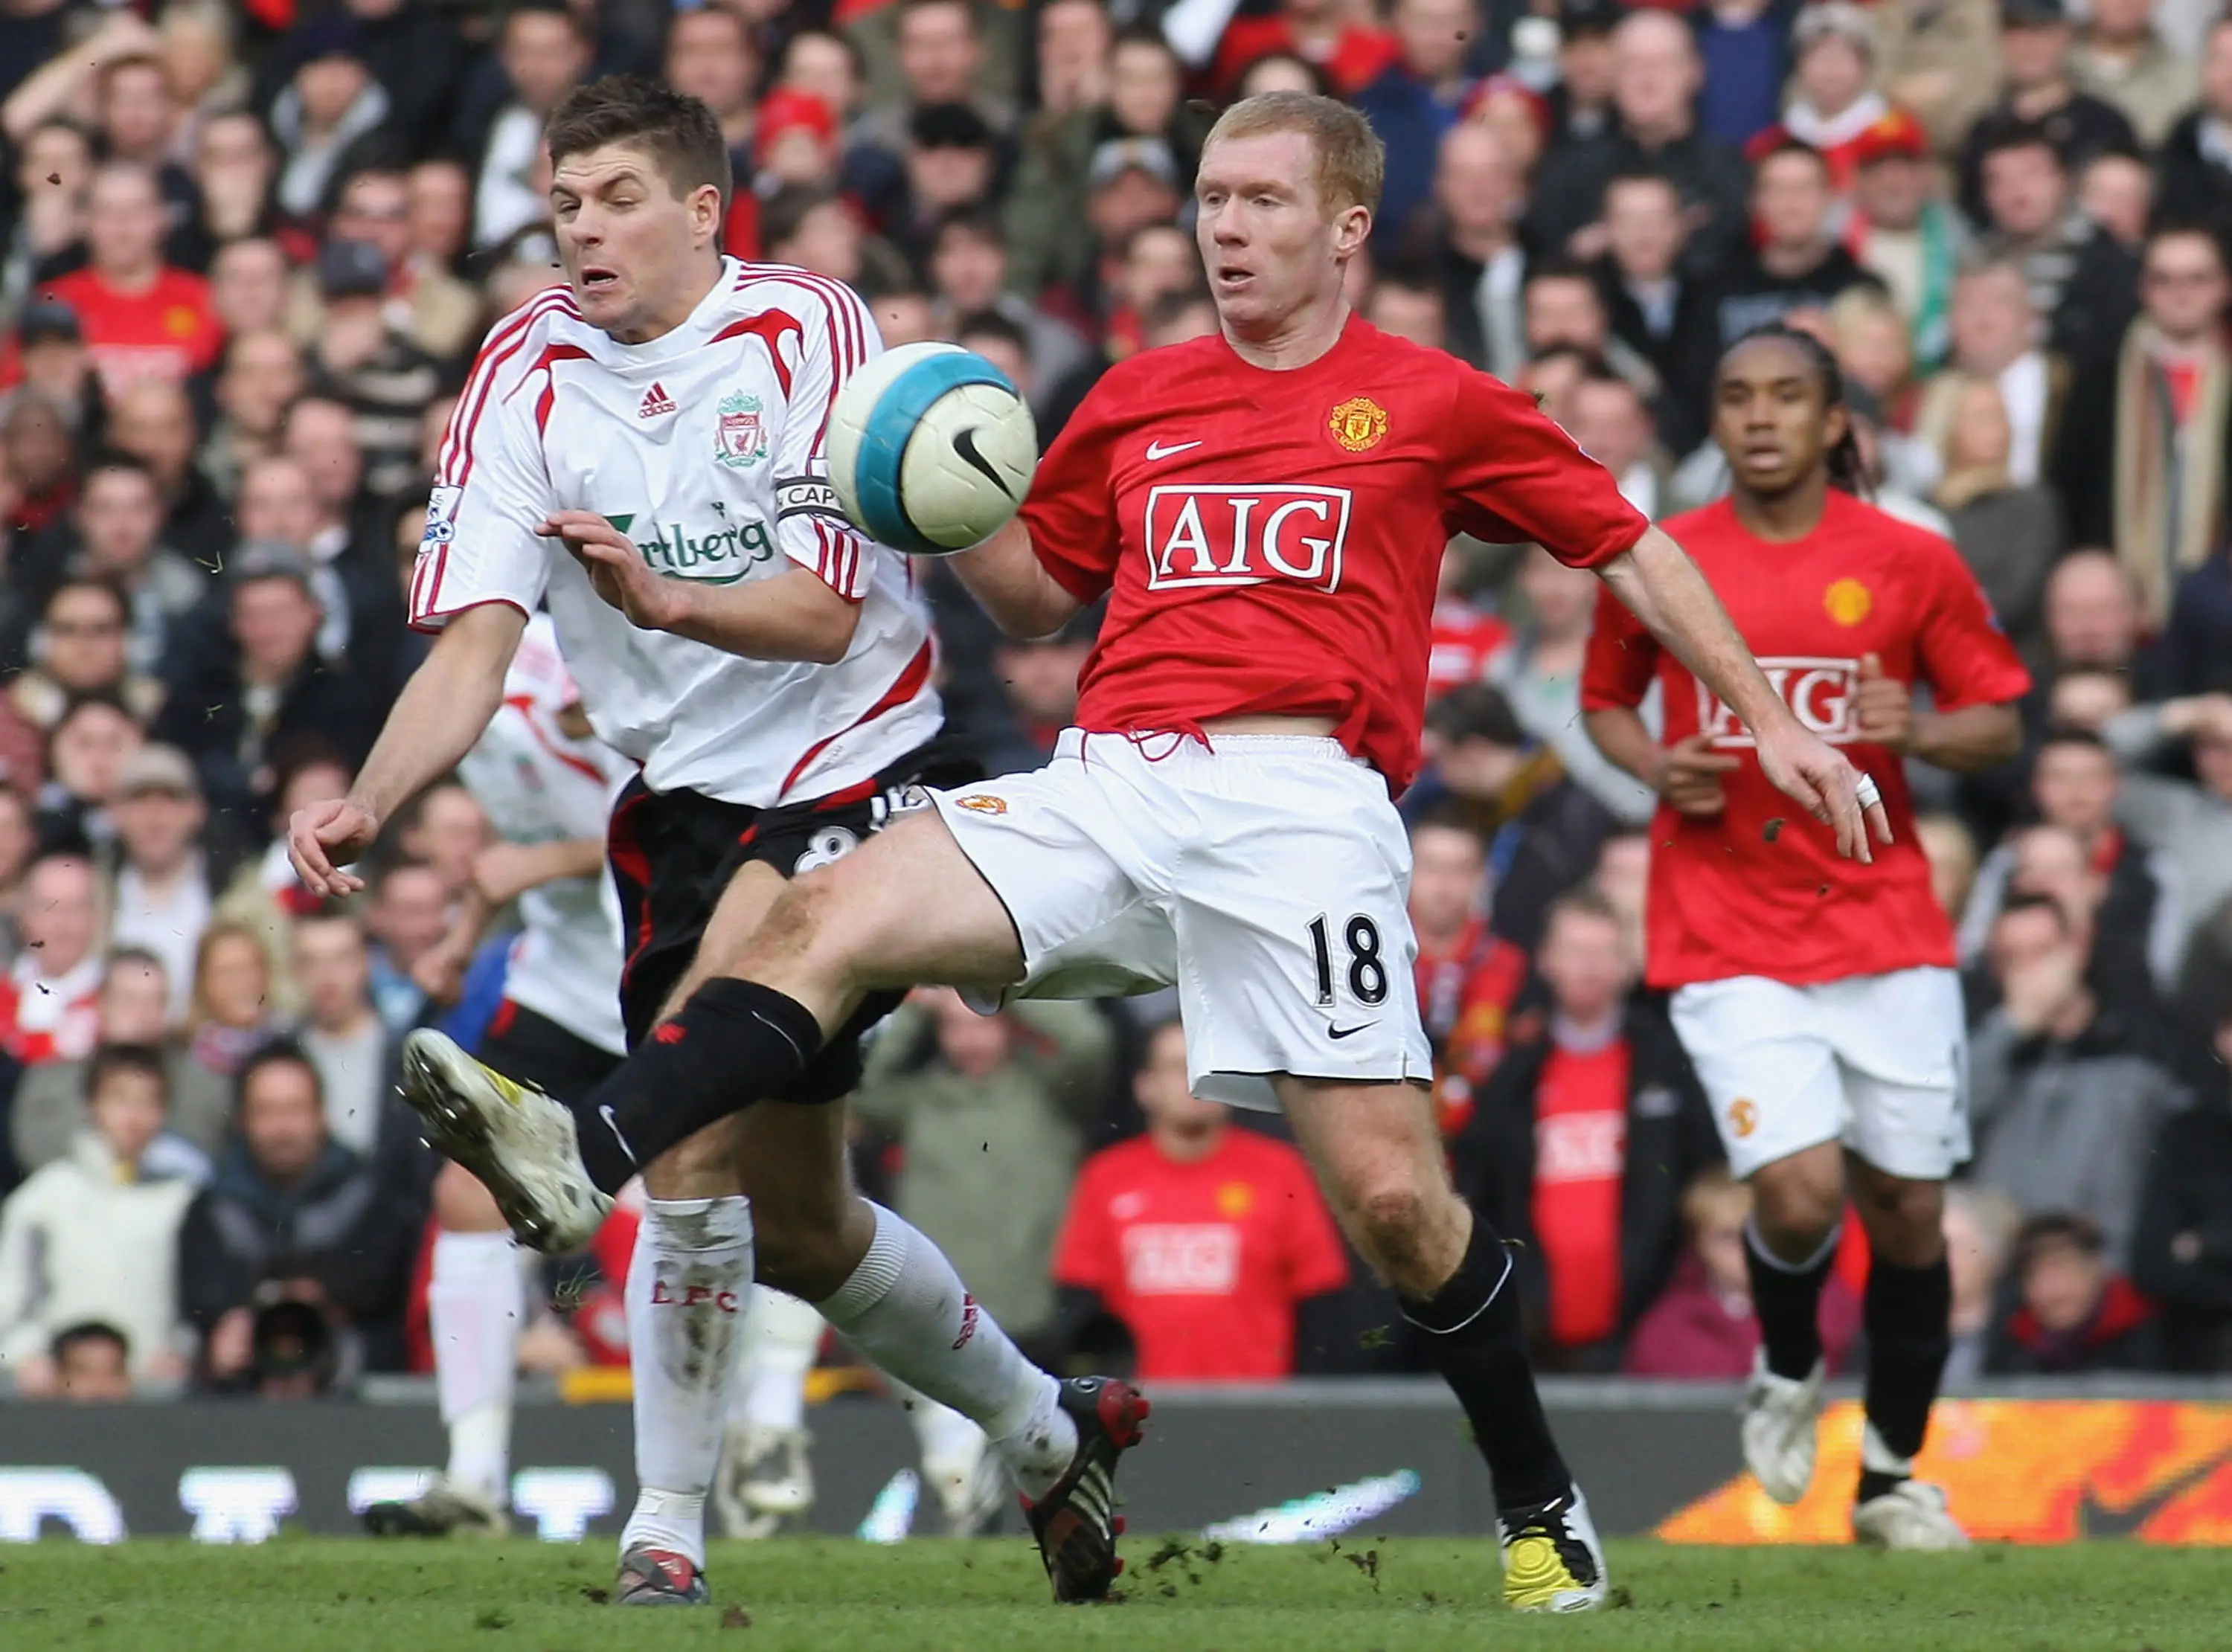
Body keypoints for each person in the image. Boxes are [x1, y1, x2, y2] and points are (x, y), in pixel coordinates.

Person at [394, 89, 1884, 1615]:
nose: (1223, 227)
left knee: (1396, 1210)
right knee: (815, 919)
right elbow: (1039, 603)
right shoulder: (1140, 395)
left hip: (1303, 806)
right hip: (1106, 787)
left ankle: (1537, 1498)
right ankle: (585, 1156)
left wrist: (1765, 713)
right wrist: (939, 476)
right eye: (1210, 199)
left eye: (1259, 201)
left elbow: (1626, 540)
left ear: (1347, 227)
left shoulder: (1431, 400)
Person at [285, 76, 1126, 1607]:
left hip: (859, 755)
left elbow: (819, 615)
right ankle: (1045, 1426)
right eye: (560, 203)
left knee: (683, 1127)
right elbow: (477, 643)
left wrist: (667, 602)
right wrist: (374, 795)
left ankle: (662, 1528)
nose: (579, 231)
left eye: (613, 200)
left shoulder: (810, 330)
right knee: (802, 1227)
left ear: (698, 210)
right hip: (675, 801)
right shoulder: (522, 369)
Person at [1580, 321, 2030, 1549]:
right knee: (1795, 1189)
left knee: (1909, 1212)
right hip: (1724, 924)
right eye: (1737, 397)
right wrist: (1654, 766)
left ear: (1838, 421)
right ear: (1714, 420)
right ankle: (1787, 1362)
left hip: (1883, 926)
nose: (1762, 416)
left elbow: (1998, 715)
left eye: (1789, 396)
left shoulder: (1909, 560)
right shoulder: (1662, 561)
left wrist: (1922, 732)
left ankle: (1890, 1481)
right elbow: (1604, 704)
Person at [362, 613, 632, 1539]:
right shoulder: (455, 708)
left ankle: (757, 1440)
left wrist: (538, 864)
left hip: (666, 974)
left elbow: (673, 811)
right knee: (470, 1197)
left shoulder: (551, 664)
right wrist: (464, 938)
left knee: (749, 1211)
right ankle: (473, 1478)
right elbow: (508, 854)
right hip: (562, 981)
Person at [1455, 889, 1722, 1371]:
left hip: (1648, 1328)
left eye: (1605, 953)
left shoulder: (1666, 1061)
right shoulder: (1512, 1075)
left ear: (1629, 964)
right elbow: (1481, 1190)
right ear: (1547, 960)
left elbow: (1707, 1182)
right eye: (1577, 951)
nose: (1590, 967)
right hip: (1530, 1329)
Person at [1051, 1017, 1350, 1381]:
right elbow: (1080, 1301)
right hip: (1140, 1413)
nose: (1195, 1082)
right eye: (1178, 1068)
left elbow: (1321, 1300)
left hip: (1257, 1412)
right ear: (1145, 1087)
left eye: (1209, 1066)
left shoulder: (1280, 1171)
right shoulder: (1106, 1178)